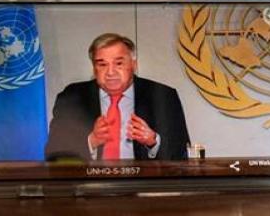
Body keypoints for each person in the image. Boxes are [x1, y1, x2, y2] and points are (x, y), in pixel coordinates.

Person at [45, 33, 190, 161]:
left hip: (143, 187)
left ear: (134, 65)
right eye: (102, 65)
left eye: (119, 63)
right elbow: (54, 153)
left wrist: (153, 141)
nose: (110, 72)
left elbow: (182, 154)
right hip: (89, 187)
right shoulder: (73, 97)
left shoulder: (162, 96)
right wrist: (91, 141)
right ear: (94, 68)